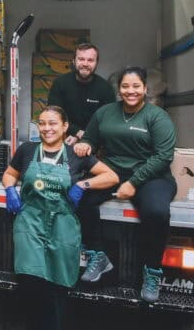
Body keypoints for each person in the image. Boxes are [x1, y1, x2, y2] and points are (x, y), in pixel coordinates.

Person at [2, 105, 117, 330]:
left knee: (58, 280)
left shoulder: (76, 154)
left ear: (65, 127)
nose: (47, 128)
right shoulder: (27, 150)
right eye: (42, 123)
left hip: (63, 222)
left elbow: (111, 177)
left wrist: (84, 184)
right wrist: (10, 189)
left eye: (53, 123)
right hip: (30, 220)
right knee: (32, 276)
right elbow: (10, 174)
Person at [72, 66, 177, 305]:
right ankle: (97, 255)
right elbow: (90, 137)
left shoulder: (157, 116)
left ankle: (152, 272)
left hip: (152, 175)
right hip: (113, 171)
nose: (131, 91)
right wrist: (85, 145)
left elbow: (163, 156)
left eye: (136, 86)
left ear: (145, 88)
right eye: (125, 86)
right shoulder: (105, 112)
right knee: (82, 194)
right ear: (119, 89)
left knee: (157, 212)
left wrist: (133, 182)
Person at [47, 43, 114, 140]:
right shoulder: (60, 83)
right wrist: (77, 133)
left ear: (96, 62)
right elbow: (54, 115)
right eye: (81, 59)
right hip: (64, 136)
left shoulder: (105, 88)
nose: (85, 64)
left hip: (95, 139)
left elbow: (108, 121)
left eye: (90, 60)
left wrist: (86, 137)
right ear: (74, 61)